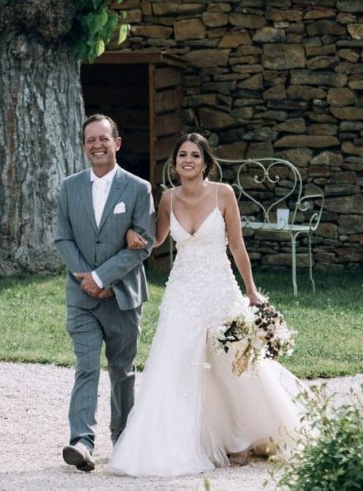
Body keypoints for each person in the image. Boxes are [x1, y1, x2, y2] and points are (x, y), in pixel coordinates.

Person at [107, 132, 304, 477]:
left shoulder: (223, 194)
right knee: (176, 363)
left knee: (233, 367)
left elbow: (237, 247)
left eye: (194, 155)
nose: (188, 160)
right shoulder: (168, 198)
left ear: (205, 162)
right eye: (182, 154)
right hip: (182, 292)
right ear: (175, 162)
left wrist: (252, 293)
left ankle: (241, 437)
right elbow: (156, 239)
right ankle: (184, 441)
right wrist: (131, 237)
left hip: (219, 290)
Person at [54, 114, 156, 472]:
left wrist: (102, 277)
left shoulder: (138, 188)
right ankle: (81, 441)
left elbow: (144, 245)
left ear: (117, 142)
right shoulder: (69, 187)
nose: (96, 145)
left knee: (122, 370)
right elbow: (62, 238)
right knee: (86, 367)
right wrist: (87, 278)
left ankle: (124, 438)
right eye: (89, 140)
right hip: (81, 297)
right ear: (83, 146)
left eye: (103, 138)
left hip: (124, 298)